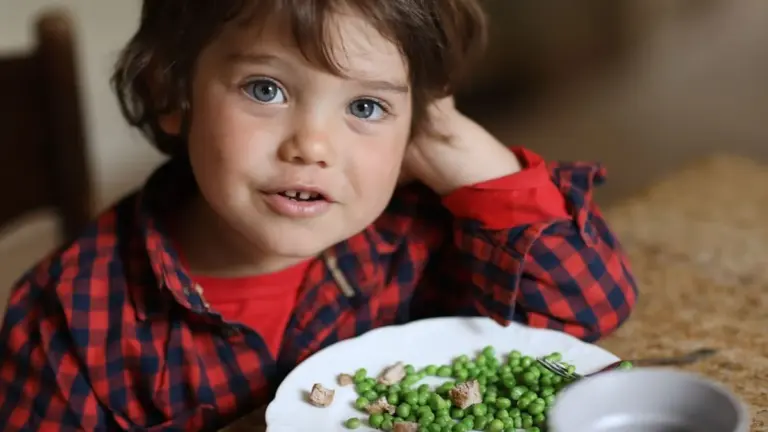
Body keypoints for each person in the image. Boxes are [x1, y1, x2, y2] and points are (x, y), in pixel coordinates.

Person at [0, 0, 638, 430]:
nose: (313, 145)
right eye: (265, 89)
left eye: (365, 108)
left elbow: (587, 305)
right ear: (173, 94)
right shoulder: (69, 325)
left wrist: (447, 141)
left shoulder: (416, 238)